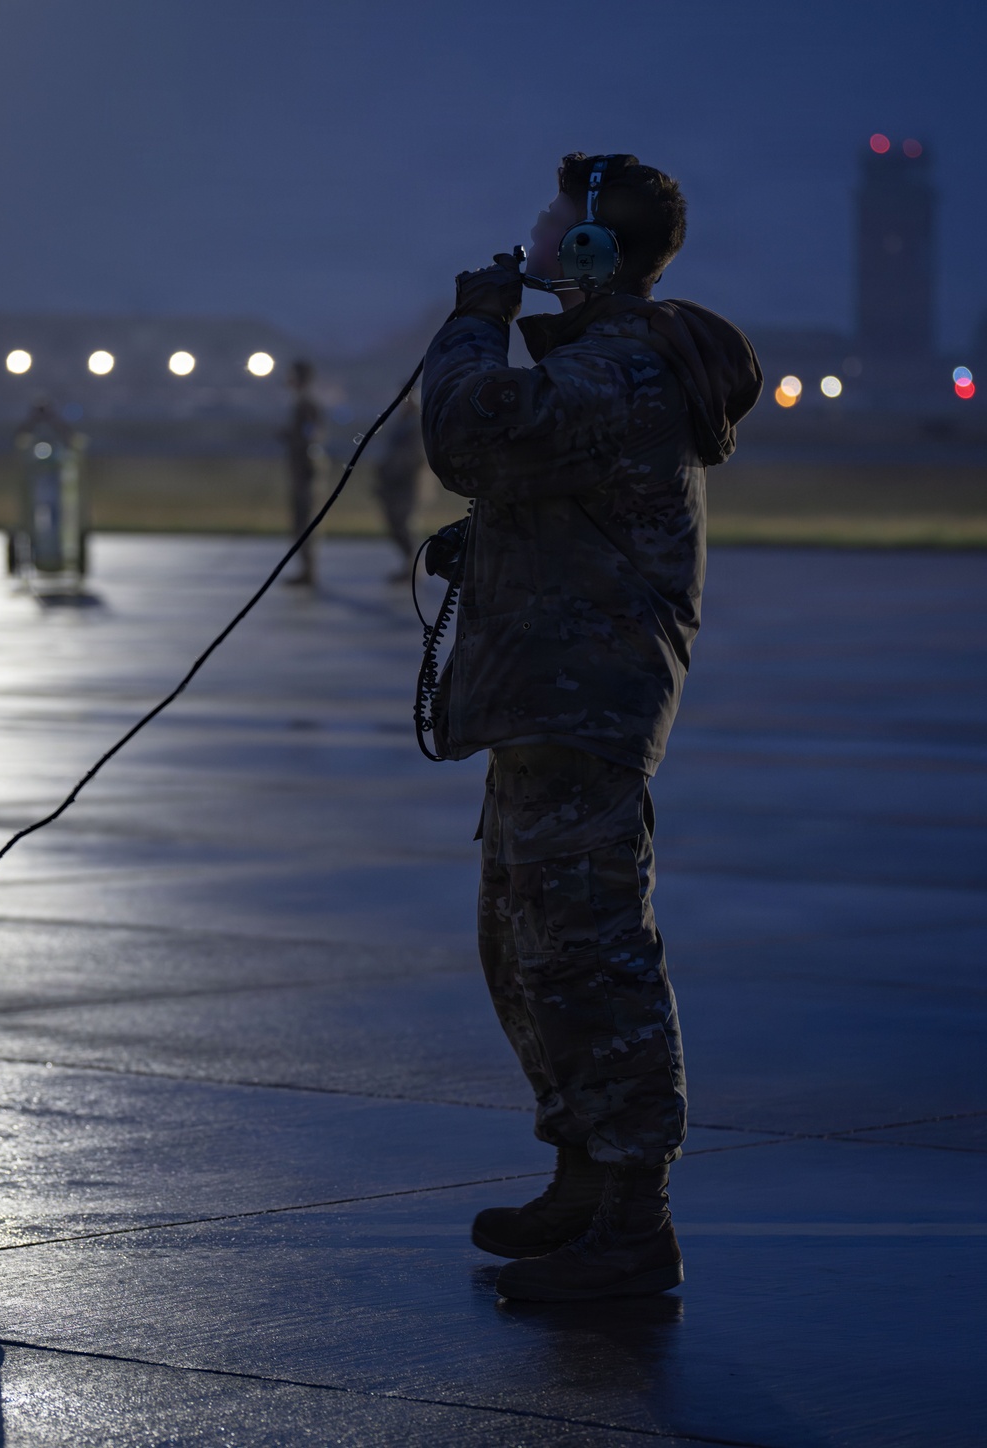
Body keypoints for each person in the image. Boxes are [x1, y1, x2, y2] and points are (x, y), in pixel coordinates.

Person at [420, 153, 761, 1301]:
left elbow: (468, 435)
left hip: (581, 704)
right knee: (525, 949)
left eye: (552, 220)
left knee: (590, 958)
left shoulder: (618, 366)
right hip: (547, 701)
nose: (531, 233)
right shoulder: (601, 363)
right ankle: (581, 1175)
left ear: (590, 250)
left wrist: (475, 323)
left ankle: (632, 1220)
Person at [279, 359, 325, 586]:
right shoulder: (301, 403)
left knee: (305, 522)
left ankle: (309, 572)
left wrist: (295, 440)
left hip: (307, 473)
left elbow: (312, 436)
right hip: (300, 472)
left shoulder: (307, 404)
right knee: (299, 522)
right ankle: (306, 570)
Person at [374, 394, 425, 581]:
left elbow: (414, 455)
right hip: (393, 482)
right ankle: (409, 564)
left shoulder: (416, 425)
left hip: (407, 483)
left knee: (404, 524)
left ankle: (413, 566)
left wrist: (394, 468)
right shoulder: (401, 423)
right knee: (395, 525)